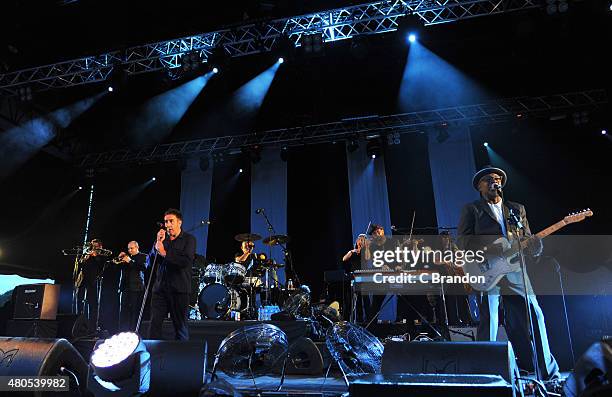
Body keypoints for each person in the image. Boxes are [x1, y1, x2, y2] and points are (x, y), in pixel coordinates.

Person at [457, 166, 559, 380]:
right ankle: (487, 375)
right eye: (489, 179)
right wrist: (490, 246)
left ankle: (547, 372)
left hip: (515, 270)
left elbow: (529, 241)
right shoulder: (472, 209)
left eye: (497, 179)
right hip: (486, 270)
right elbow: (463, 241)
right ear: (480, 186)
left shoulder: (516, 209)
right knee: (490, 320)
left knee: (535, 315)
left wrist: (535, 246)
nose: (495, 181)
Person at [148, 208, 196, 340]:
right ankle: (153, 357)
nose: (168, 225)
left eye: (171, 221)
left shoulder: (189, 240)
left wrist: (164, 252)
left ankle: (181, 357)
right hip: (160, 290)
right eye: (166, 222)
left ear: (179, 222)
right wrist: (157, 243)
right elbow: (150, 262)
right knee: (154, 325)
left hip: (179, 290)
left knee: (180, 327)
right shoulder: (162, 240)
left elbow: (185, 261)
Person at [77, 239, 106, 332]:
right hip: (84, 281)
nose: (93, 248)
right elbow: (80, 263)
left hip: (94, 281)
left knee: (93, 305)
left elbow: (102, 266)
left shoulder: (102, 254)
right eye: (92, 246)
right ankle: (81, 326)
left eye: (95, 246)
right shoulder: (87, 254)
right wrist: (85, 257)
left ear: (100, 247)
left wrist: (96, 256)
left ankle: (92, 328)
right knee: (81, 302)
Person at [118, 241, 147, 331]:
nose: (130, 250)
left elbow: (143, 267)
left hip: (136, 287)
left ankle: (134, 331)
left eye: (132, 248)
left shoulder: (143, 256)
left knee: (134, 311)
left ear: (137, 247)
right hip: (125, 288)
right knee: (123, 311)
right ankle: (122, 331)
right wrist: (120, 259)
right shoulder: (126, 257)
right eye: (128, 248)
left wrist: (130, 261)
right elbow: (116, 268)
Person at [343, 234, 368, 323]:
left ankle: (368, 318)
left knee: (365, 299)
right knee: (357, 299)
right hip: (355, 277)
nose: (361, 241)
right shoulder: (352, 252)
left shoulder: (366, 251)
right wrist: (352, 251)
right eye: (360, 240)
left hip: (364, 277)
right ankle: (359, 318)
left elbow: (368, 257)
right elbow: (344, 259)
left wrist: (365, 247)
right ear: (357, 241)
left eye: (363, 240)